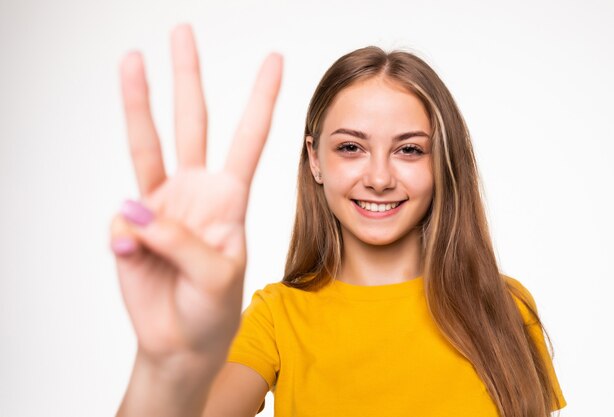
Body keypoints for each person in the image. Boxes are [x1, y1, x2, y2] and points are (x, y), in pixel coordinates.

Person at [110, 23, 566, 417]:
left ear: (441, 161)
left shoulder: (505, 306)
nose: (380, 178)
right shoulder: (276, 318)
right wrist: (165, 366)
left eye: (409, 149)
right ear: (315, 160)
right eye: (351, 147)